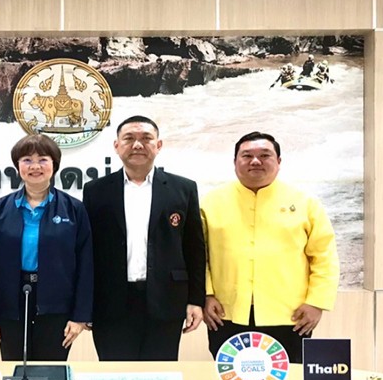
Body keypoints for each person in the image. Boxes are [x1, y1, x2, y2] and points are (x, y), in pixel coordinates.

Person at [200, 131, 339, 364]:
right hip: (225, 312)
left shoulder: (305, 203)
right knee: (231, 376)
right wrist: (206, 294)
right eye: (247, 156)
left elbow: (324, 256)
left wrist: (316, 303)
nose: (256, 161)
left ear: (279, 161)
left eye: (265, 155)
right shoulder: (210, 202)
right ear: (235, 162)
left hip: (291, 315)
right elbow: (197, 256)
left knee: (288, 377)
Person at [83, 115, 206, 361]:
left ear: (158, 145)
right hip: (110, 302)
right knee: (114, 375)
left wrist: (196, 300)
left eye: (146, 138)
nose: (137, 145)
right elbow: (88, 252)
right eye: (129, 138)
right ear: (116, 146)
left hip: (166, 300)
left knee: (159, 376)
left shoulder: (183, 189)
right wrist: (84, 305)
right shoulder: (96, 190)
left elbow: (194, 249)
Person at [0, 134, 92, 361]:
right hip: (10, 302)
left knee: (52, 370)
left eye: (43, 160)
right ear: (17, 166)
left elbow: (85, 265)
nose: (35, 166)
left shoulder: (73, 209)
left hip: (57, 303)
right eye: (27, 160)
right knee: (14, 368)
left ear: (54, 165)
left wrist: (80, 316)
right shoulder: (1, 208)